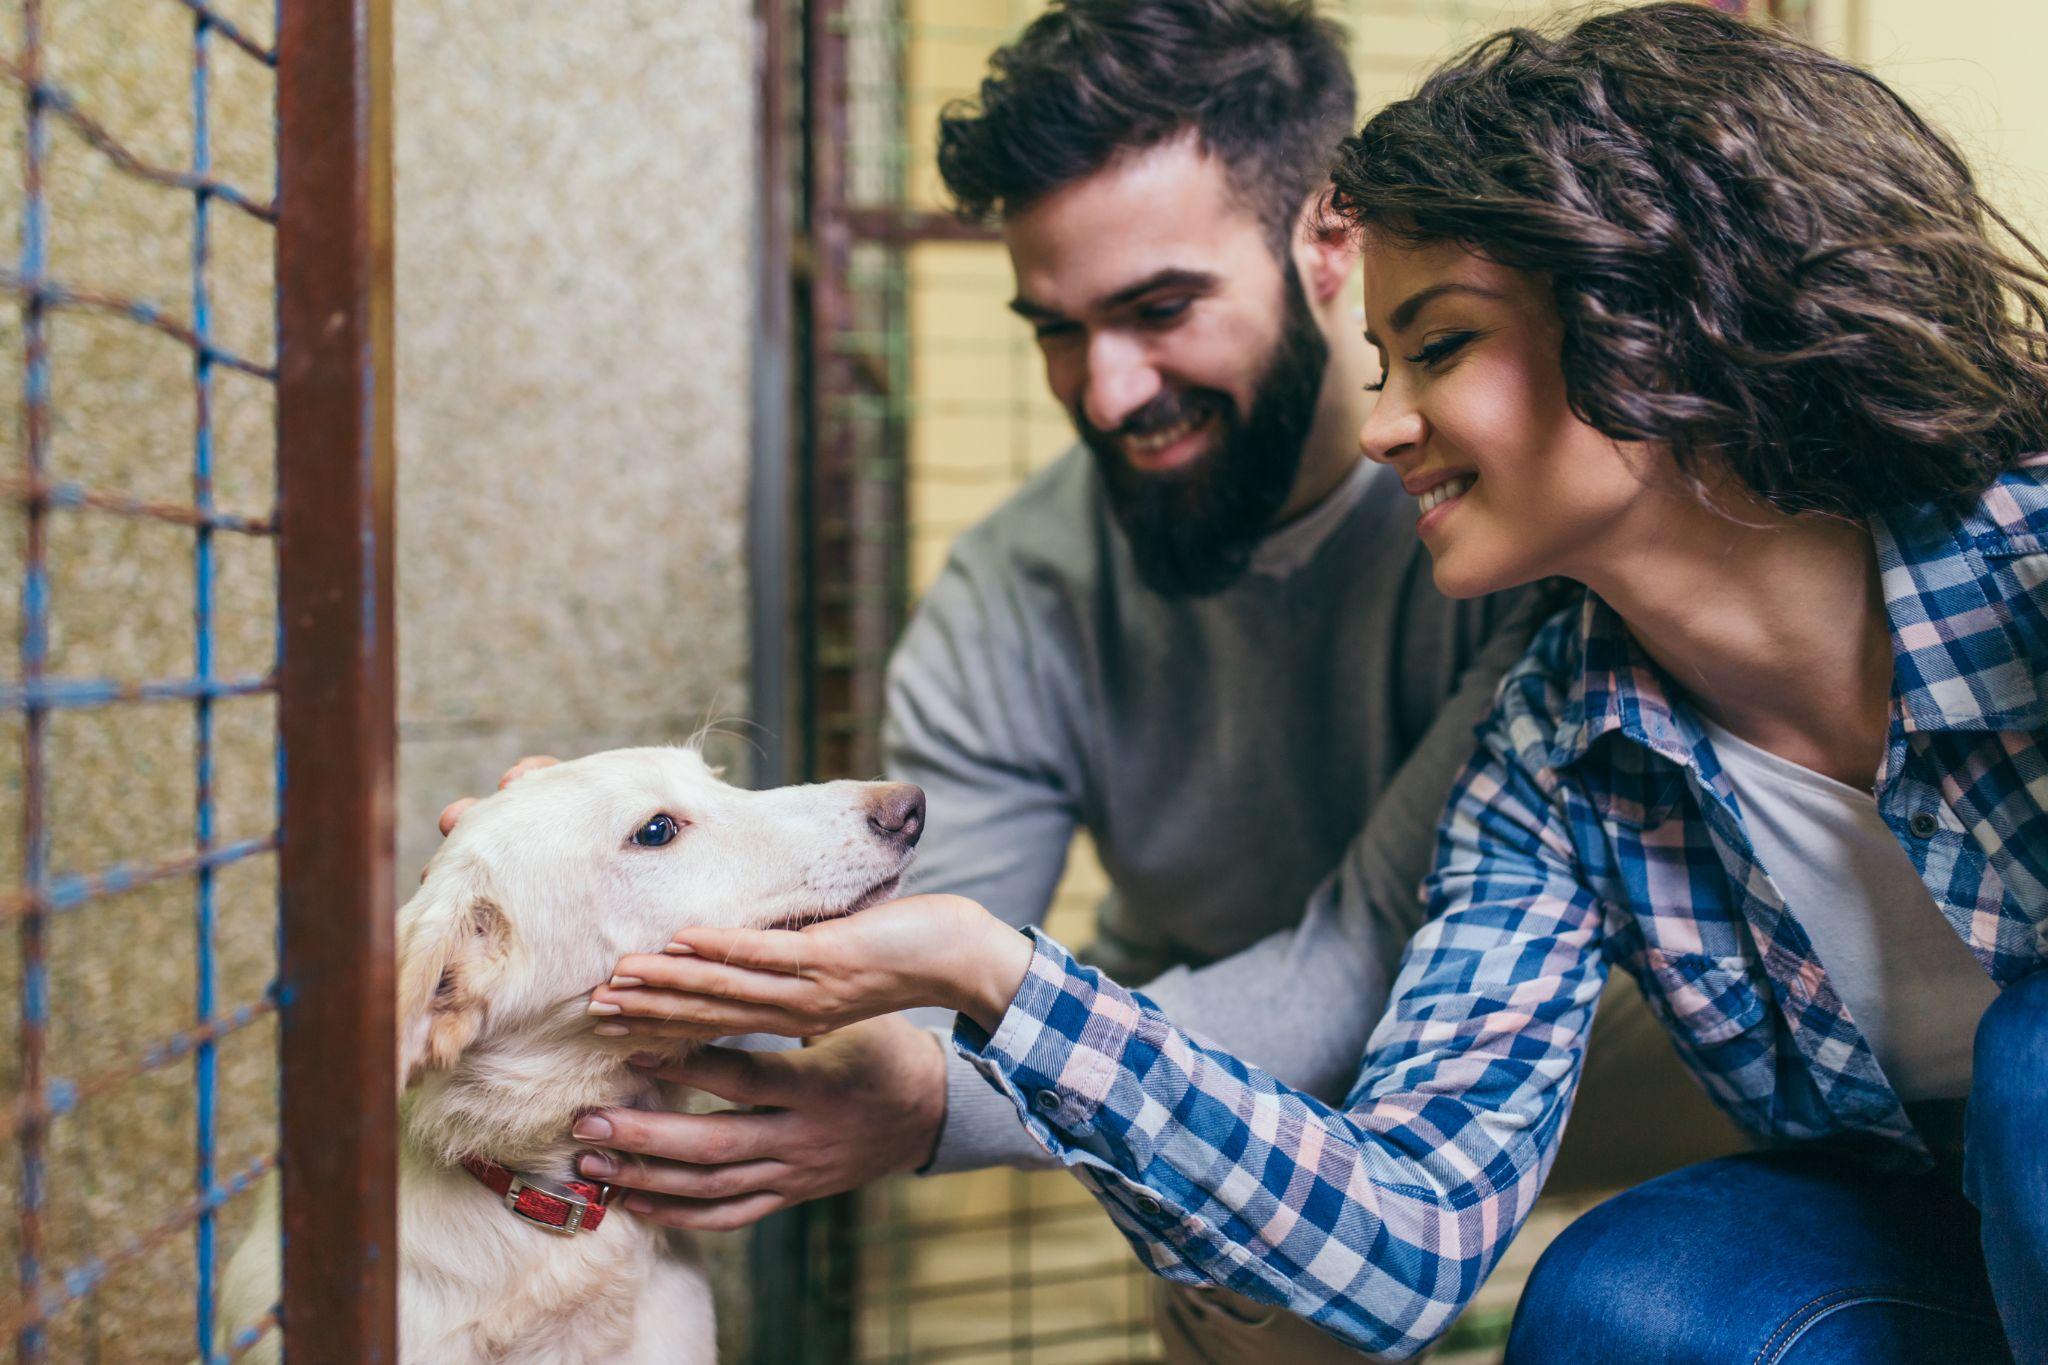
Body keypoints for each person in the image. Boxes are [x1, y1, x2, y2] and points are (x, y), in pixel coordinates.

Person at [587, 5, 2048, 1361]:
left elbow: (1351, 962)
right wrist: (598, 863)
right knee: (1626, 1298)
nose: (1383, 427)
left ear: (1643, 320)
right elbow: (1392, 1221)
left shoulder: (2000, 564)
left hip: (1696, 1098)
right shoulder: (1561, 729)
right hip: (1829, 1164)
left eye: (1443, 348)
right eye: (1058, 329)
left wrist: (962, 1052)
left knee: (2034, 1075)